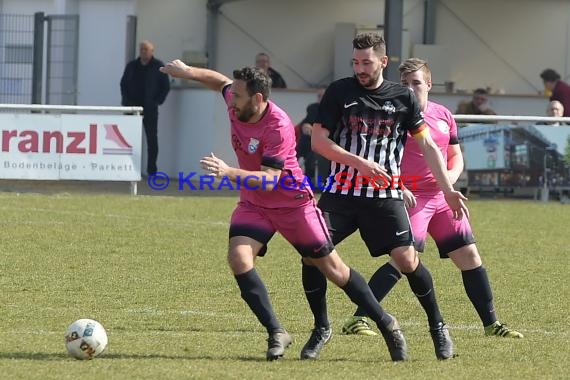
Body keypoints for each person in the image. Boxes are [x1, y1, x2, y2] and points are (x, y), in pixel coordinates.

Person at [159, 60, 408, 362]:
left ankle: (386, 323)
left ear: (258, 99)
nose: (231, 101)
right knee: (239, 258)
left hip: (293, 204)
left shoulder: (277, 125)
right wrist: (188, 72)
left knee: (334, 270)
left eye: (238, 96)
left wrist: (228, 171)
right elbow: (219, 81)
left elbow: (270, 179)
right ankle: (277, 332)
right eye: (232, 95)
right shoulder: (237, 101)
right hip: (254, 204)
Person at [305, 32, 469, 361]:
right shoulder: (340, 91)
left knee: (408, 260)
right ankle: (323, 326)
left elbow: (428, 145)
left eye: (366, 62)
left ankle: (437, 324)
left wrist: (449, 189)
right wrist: (360, 163)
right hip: (341, 192)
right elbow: (319, 142)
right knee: (311, 252)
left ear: (383, 62)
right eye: (355, 62)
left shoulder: (402, 98)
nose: (360, 68)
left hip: (385, 195)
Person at [342, 58, 523, 341]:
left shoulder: (443, 114)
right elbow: (376, 157)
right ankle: (358, 318)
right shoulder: (392, 117)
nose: (410, 88)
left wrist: (448, 180)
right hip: (411, 199)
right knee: (404, 259)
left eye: (416, 82)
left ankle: (492, 324)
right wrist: (396, 185)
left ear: (428, 84)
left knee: (469, 255)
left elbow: (455, 155)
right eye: (404, 84)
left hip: (442, 197)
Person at [120, 40, 170, 175]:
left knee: (151, 139)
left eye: (146, 49)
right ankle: (128, 168)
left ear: (152, 51)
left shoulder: (158, 66)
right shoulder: (132, 66)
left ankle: (151, 170)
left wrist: (157, 101)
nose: (143, 51)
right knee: (129, 139)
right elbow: (123, 84)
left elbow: (165, 86)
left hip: (150, 109)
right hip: (132, 108)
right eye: (141, 49)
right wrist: (126, 102)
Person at [296, 88, 330, 188]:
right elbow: (306, 121)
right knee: (305, 140)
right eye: (319, 96)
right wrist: (305, 125)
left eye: (323, 96)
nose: (320, 98)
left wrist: (316, 131)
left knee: (313, 149)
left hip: (328, 140)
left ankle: (301, 160)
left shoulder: (335, 109)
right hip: (312, 140)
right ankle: (299, 161)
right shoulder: (313, 108)